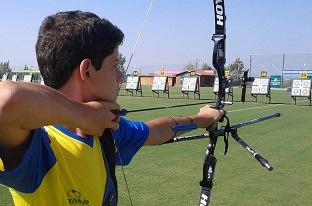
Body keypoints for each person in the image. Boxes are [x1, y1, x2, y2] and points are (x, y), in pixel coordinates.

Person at [0, 10, 223, 205]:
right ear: (86, 70)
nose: (121, 76)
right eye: (114, 65)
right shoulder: (37, 147)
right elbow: (7, 99)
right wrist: (84, 115)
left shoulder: (105, 131)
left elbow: (155, 131)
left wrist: (200, 119)